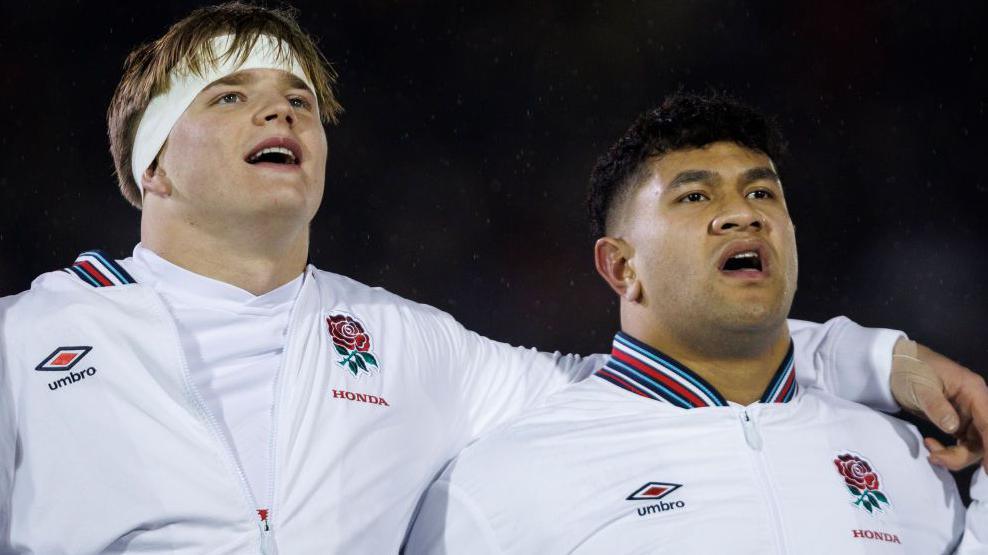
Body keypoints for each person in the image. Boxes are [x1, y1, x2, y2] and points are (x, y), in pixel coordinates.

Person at [0, 4, 984, 554]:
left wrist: (869, 357)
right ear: (151, 165)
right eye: (232, 96)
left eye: (298, 99)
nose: (283, 115)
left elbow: (646, 374)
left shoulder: (408, 344)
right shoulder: (22, 341)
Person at [405, 93, 987, 553]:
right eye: (694, 198)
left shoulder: (909, 459)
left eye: (762, 191)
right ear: (621, 266)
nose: (744, 214)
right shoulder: (505, 483)